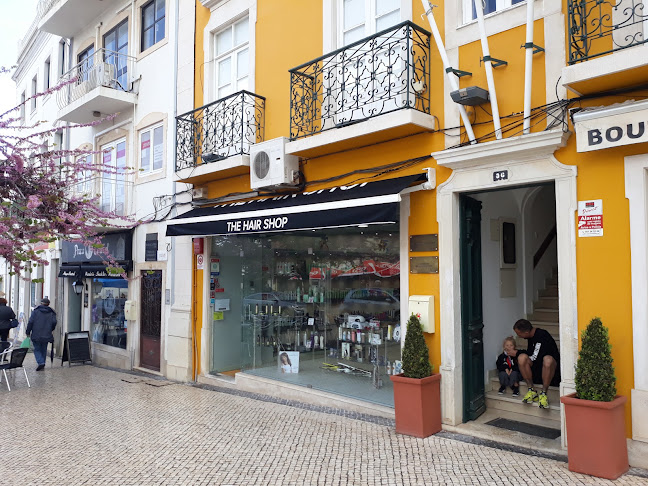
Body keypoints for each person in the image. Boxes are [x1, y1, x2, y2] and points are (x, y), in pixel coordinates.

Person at [513, 318, 560, 409]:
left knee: (548, 359)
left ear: (526, 332)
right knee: (522, 358)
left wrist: (517, 352)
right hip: (538, 369)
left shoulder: (542, 336)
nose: (519, 336)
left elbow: (535, 357)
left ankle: (543, 394)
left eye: (519, 334)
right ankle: (532, 391)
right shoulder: (531, 337)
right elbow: (531, 354)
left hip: (551, 372)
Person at [26, 297, 57, 371]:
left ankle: (41, 362)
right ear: (48, 304)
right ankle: (42, 362)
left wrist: (28, 331)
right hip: (47, 333)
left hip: (36, 333)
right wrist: (50, 329)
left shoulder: (35, 311)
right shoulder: (52, 312)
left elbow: (30, 322)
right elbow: (54, 322)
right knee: (44, 348)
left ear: (41, 303)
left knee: (36, 349)